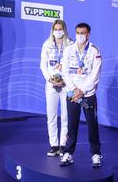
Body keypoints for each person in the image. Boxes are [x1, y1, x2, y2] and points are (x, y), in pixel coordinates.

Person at [60, 22, 103, 168]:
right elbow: (64, 71)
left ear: (88, 35)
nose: (79, 36)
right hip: (72, 95)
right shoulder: (68, 50)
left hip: (87, 96)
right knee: (71, 124)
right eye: (77, 33)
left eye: (82, 33)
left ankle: (96, 154)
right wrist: (74, 90)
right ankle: (68, 153)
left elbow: (95, 76)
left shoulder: (94, 51)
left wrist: (81, 91)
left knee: (92, 124)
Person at [40, 20, 73, 157]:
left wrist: (65, 77)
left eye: (60, 29)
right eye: (56, 29)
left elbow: (74, 64)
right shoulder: (47, 45)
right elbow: (43, 65)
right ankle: (54, 145)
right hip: (52, 84)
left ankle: (63, 145)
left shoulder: (71, 45)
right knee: (51, 116)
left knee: (66, 116)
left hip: (66, 85)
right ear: (52, 30)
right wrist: (50, 79)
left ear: (64, 30)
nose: (58, 32)